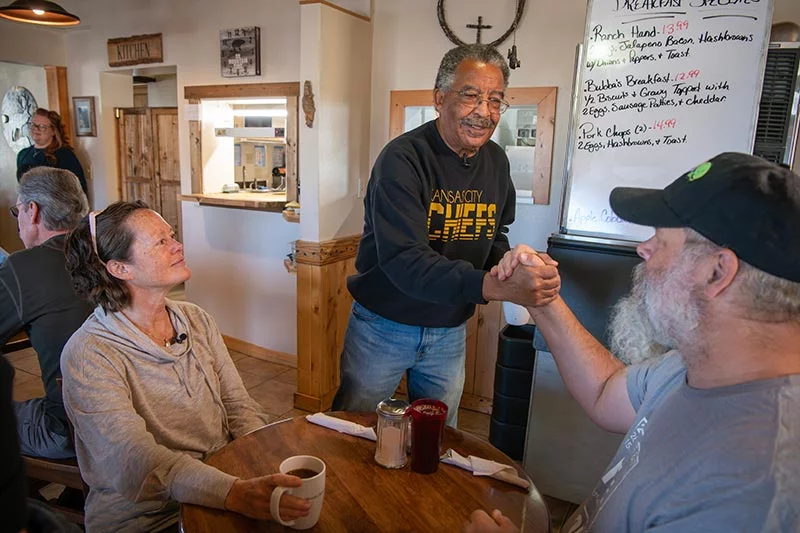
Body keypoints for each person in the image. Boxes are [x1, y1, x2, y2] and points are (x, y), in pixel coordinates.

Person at [488, 152, 800, 532]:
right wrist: (544, 298)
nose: (643, 249)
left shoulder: (751, 485)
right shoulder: (695, 365)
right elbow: (605, 391)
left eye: (661, 239)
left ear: (717, 271)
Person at [332, 44, 560, 425]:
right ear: (440, 99)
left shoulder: (496, 162)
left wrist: (513, 267)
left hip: (449, 330)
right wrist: (496, 287)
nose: (484, 112)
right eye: (471, 96)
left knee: (436, 436)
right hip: (383, 326)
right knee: (355, 431)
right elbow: (405, 260)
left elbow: (494, 233)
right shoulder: (403, 160)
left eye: (495, 100)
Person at [60, 201, 311, 532]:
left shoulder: (195, 319)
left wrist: (261, 462)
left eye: (172, 235)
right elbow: (137, 463)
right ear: (120, 268)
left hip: (226, 483)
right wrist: (233, 492)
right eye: (161, 242)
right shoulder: (89, 354)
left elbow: (238, 405)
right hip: (148, 516)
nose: (178, 245)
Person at [0, 167, 92, 459]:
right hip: (134, 416)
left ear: (33, 210)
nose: (18, 223)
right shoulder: (108, 249)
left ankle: (21, 502)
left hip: (69, 430)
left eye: (17, 213)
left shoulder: (22, 267)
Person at [17, 108, 88, 195]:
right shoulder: (23, 154)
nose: (36, 129)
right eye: (33, 125)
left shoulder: (64, 155)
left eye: (42, 126)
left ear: (53, 131)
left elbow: (79, 190)